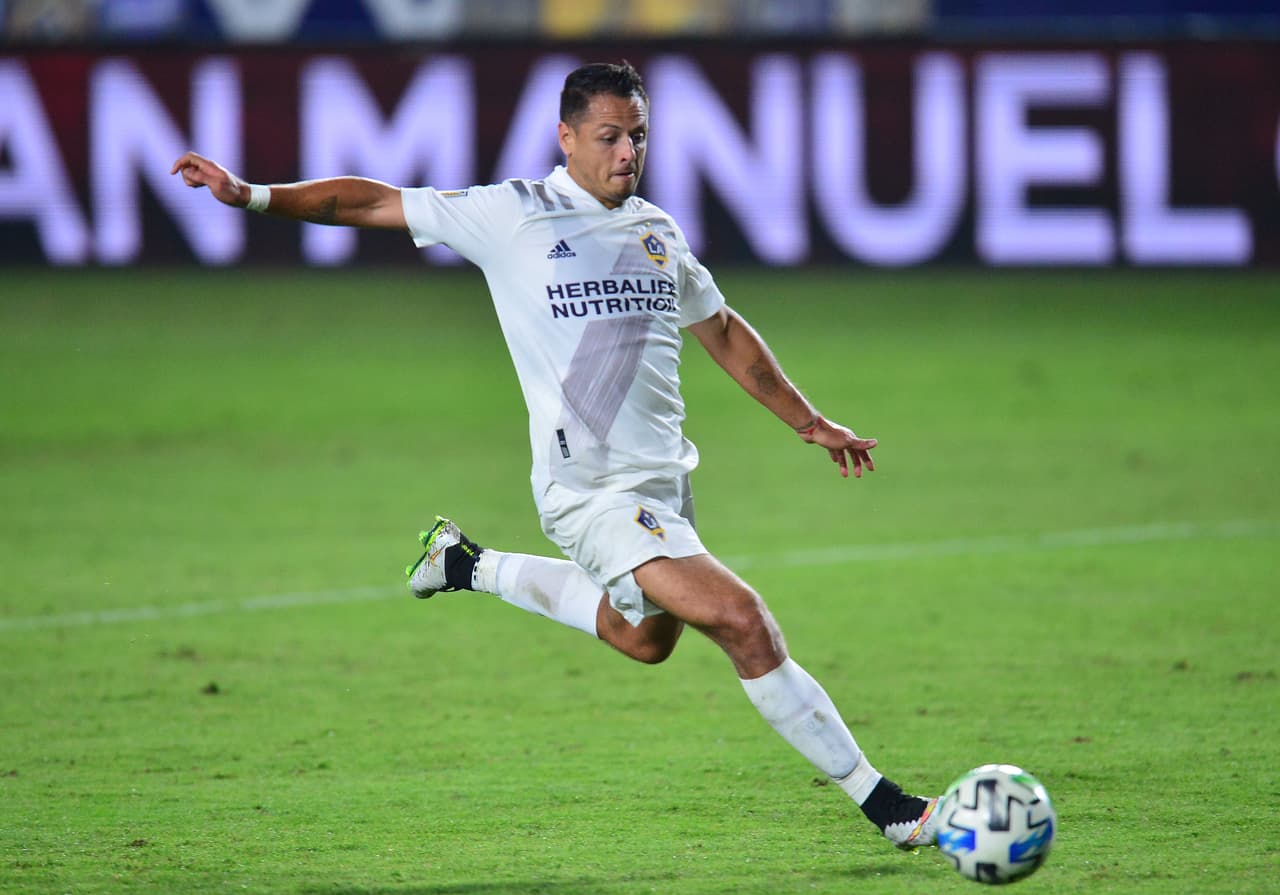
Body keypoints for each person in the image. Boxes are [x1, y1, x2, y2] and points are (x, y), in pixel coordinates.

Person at [171, 61, 940, 850]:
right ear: (566, 137)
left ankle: (466, 564)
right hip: (590, 494)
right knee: (743, 621)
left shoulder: (656, 232)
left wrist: (809, 422)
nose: (626, 153)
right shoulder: (513, 214)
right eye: (608, 137)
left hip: (663, 487)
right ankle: (886, 806)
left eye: (637, 136)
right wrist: (252, 195)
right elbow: (369, 199)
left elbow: (723, 331)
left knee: (643, 639)